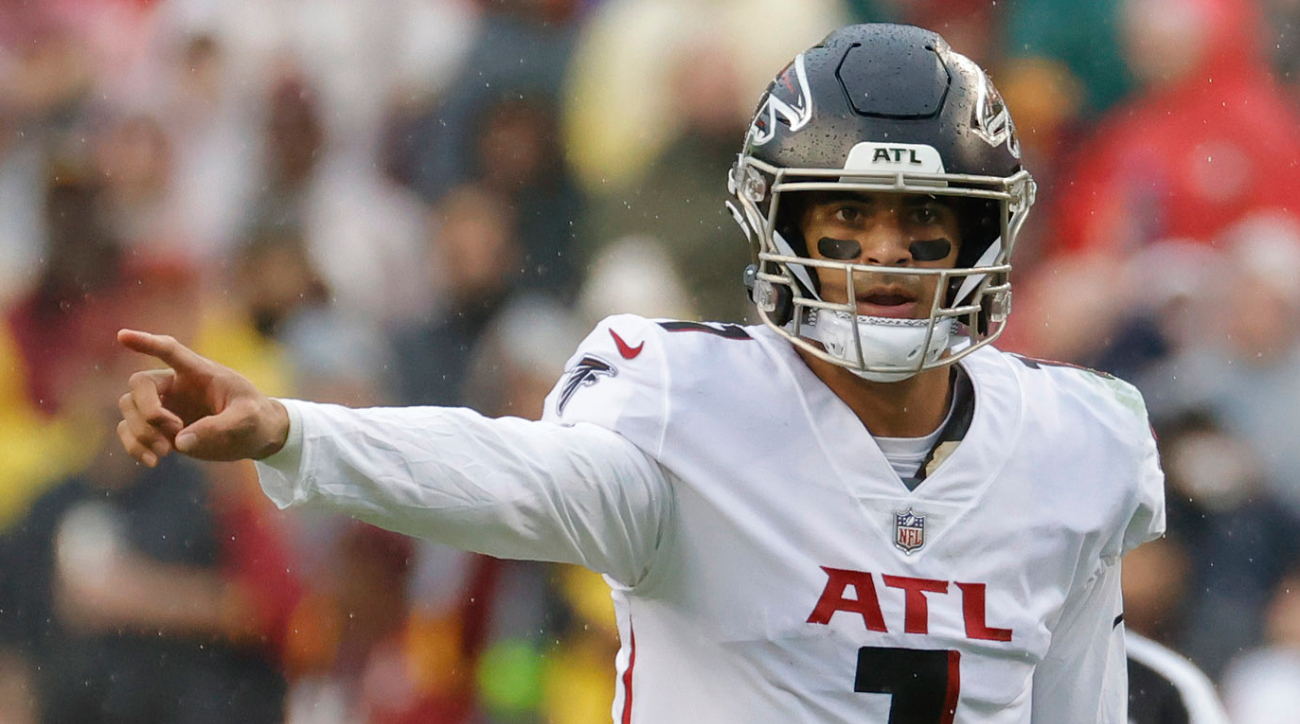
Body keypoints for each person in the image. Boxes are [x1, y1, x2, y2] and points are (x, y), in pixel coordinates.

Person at [116, 24, 1165, 723]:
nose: (883, 254)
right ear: (779, 222)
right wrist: (296, 432)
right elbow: (520, 476)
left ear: (985, 233)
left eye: (924, 219)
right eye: (845, 215)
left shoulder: (1073, 445)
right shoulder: (685, 403)